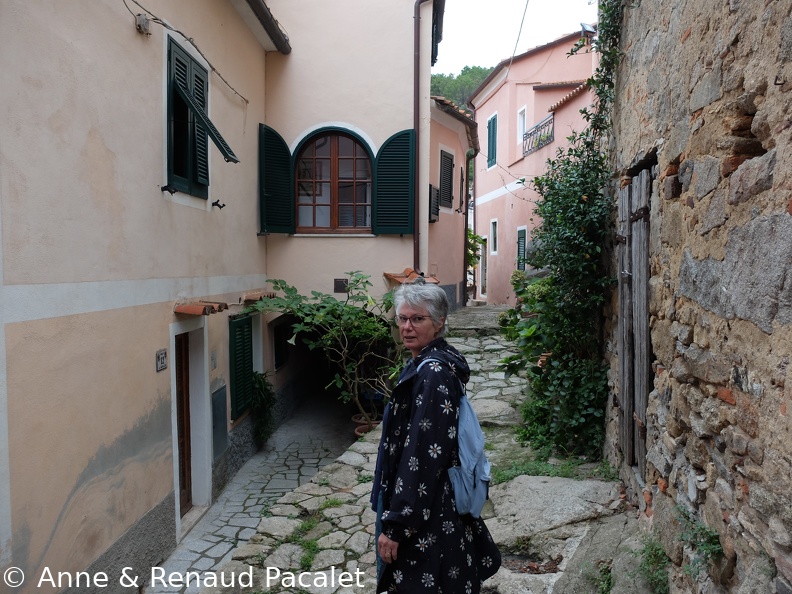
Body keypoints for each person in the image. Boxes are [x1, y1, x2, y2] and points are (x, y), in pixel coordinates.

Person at [371, 281, 500, 593]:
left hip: (428, 510)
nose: (406, 327)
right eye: (402, 319)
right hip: (431, 505)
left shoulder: (433, 374)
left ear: (439, 322)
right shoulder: (428, 361)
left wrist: (397, 525)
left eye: (417, 319)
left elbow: (422, 455)